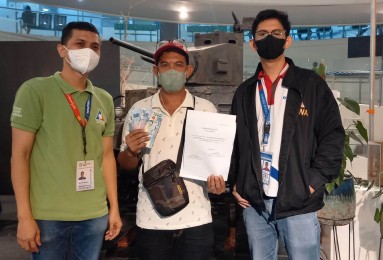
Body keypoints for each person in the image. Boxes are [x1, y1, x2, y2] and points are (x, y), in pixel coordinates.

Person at [228, 9, 345, 260]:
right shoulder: (245, 91)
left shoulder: (310, 85)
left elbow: (333, 136)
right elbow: (235, 142)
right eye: (262, 34)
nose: (269, 37)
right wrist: (236, 182)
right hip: (255, 203)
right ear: (253, 43)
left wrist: (311, 181)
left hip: (298, 200)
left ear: (287, 40)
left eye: (276, 33)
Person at [10, 22, 122, 259]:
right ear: (62, 50)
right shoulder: (35, 91)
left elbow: (107, 157)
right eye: (79, 44)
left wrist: (114, 209)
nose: (89, 52)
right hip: (48, 216)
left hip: (94, 215)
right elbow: (20, 156)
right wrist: (24, 216)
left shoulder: (103, 99)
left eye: (95, 47)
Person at [117, 39, 226, 260]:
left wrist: (217, 182)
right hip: (151, 216)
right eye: (165, 65)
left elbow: (215, 162)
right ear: (156, 70)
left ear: (188, 70)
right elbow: (125, 164)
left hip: (197, 216)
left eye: (178, 65)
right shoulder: (140, 109)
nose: (172, 70)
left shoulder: (206, 109)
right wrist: (130, 152)